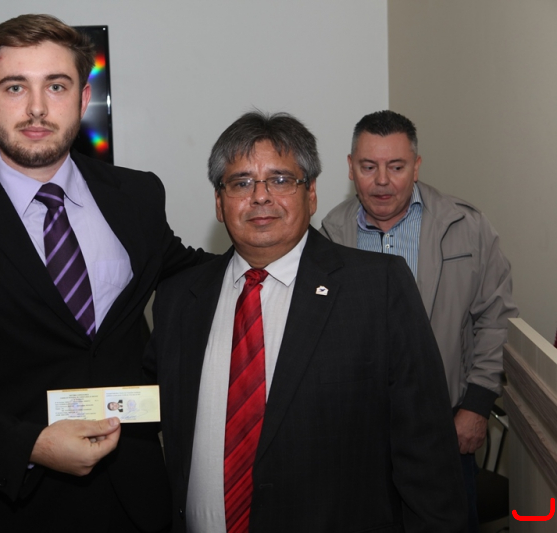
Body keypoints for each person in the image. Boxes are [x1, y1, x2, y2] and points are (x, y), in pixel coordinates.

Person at [0, 14, 206, 533]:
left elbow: (198, 276)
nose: (35, 108)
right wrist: (28, 445)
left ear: (83, 97)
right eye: (14, 87)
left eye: (56, 85)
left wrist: (283, 245)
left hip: (136, 497)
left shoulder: (137, 196)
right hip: (9, 505)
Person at [146, 111, 467, 532]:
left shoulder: (378, 288)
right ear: (219, 203)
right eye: (241, 183)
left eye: (280, 180)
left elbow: (428, 455)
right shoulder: (178, 300)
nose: (260, 197)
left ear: (311, 194)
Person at [321, 110, 518, 531]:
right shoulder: (328, 236)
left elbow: (497, 319)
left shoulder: (465, 226)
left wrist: (476, 407)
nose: (382, 181)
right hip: (357, 438)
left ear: (417, 166)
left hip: (445, 430)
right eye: (368, 167)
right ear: (351, 167)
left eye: (396, 167)